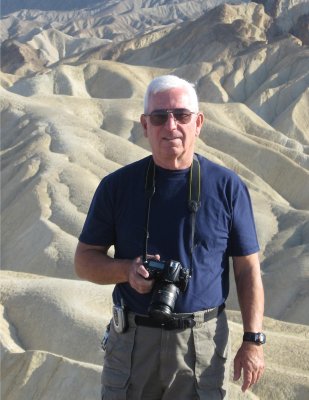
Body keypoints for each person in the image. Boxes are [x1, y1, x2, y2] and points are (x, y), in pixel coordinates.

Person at [75, 75, 265, 399]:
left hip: (201, 344)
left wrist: (253, 339)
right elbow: (84, 261)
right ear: (145, 125)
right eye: (159, 117)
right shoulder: (117, 187)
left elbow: (247, 269)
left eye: (182, 115)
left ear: (199, 123)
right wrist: (126, 271)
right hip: (133, 343)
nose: (171, 125)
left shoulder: (227, 188)